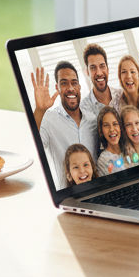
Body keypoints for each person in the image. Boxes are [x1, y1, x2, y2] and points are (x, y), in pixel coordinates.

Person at [34, 61, 98, 189]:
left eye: (74, 83)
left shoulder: (93, 119)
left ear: (79, 87)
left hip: (97, 190)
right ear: (57, 88)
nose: (70, 88)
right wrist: (40, 110)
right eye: (64, 83)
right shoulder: (49, 119)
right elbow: (35, 144)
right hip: (69, 195)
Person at [95, 105, 132, 175]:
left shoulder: (130, 148)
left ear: (120, 127)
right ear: (101, 131)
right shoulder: (103, 160)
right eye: (106, 125)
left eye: (115, 124)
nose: (111, 129)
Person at [81, 43, 115, 117]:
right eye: (93, 68)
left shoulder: (122, 96)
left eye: (102, 66)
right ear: (87, 72)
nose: (99, 73)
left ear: (107, 69)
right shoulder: (84, 109)